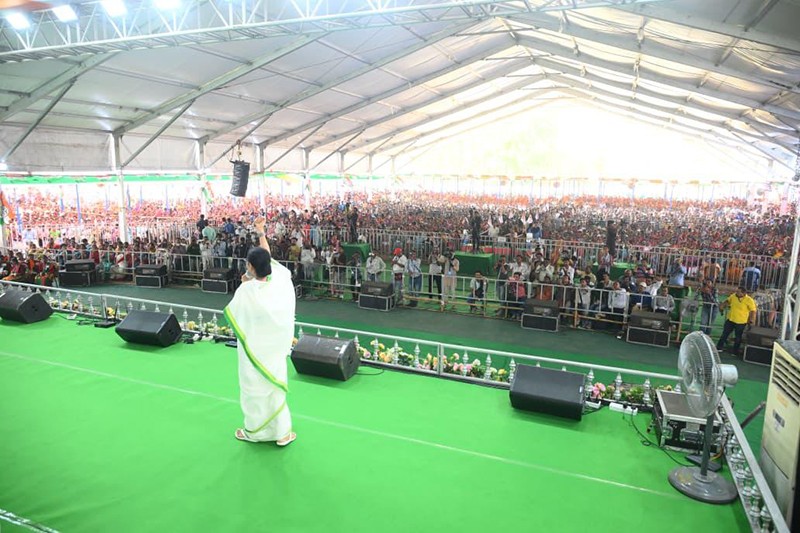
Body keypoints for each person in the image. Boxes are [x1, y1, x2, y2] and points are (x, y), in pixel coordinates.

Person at [224, 216, 297, 447]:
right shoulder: (281, 280)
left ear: (251, 267)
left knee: (254, 390)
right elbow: (267, 258)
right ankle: (283, 433)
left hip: (254, 351)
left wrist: (246, 281)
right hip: (275, 350)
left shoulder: (247, 291)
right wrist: (261, 232)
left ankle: (254, 432)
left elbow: (235, 315)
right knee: (275, 388)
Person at [716, 286, 757, 356]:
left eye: (738, 292)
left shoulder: (749, 300)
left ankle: (735, 351)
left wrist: (751, 320)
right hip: (731, 319)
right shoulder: (733, 296)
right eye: (737, 291)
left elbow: (753, 311)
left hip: (741, 322)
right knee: (724, 334)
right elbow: (728, 301)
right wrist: (722, 306)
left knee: (738, 337)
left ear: (743, 293)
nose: (736, 292)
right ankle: (719, 347)